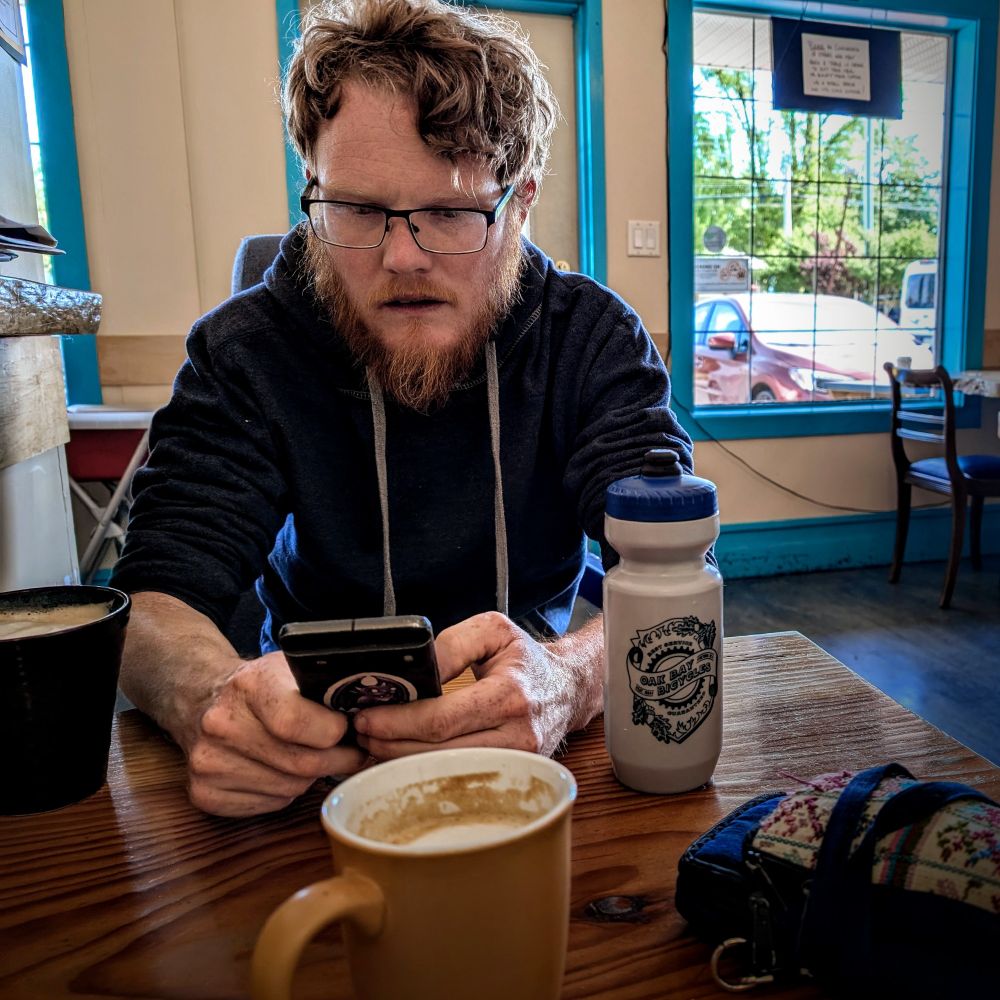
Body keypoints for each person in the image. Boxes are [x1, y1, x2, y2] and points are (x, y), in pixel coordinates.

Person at [111, 0, 694, 817]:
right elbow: (152, 601)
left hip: (534, 746)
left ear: (520, 203)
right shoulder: (245, 350)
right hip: (310, 753)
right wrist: (208, 699)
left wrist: (570, 678)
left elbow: (673, 572)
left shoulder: (591, 340)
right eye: (356, 210)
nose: (402, 258)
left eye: (451, 213)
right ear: (312, 191)